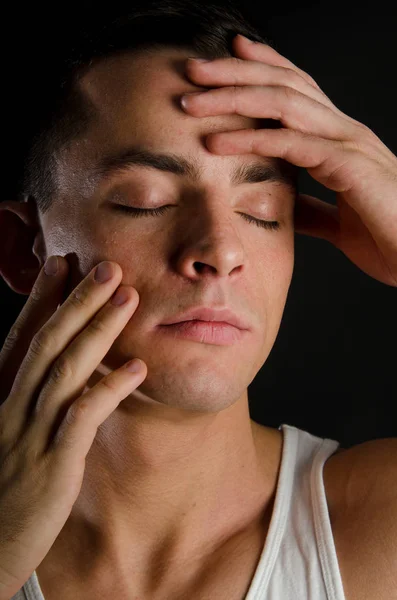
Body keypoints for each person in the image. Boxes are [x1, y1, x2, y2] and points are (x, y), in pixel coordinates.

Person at [0, 1, 396, 599]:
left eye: (260, 211)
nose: (219, 249)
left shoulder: (379, 527)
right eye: (145, 200)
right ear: (22, 250)